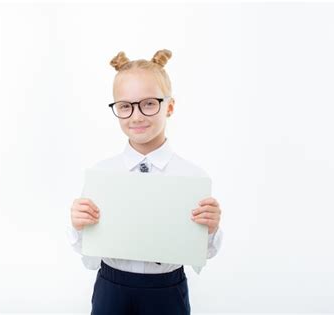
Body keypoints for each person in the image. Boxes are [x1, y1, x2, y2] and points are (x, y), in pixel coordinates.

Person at [67, 49, 223, 314]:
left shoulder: (192, 177)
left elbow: (203, 255)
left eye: (149, 103)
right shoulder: (102, 175)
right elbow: (89, 257)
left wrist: (211, 228)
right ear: (116, 108)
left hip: (166, 289)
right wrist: (78, 225)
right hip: (111, 286)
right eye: (125, 106)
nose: (136, 116)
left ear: (169, 106)